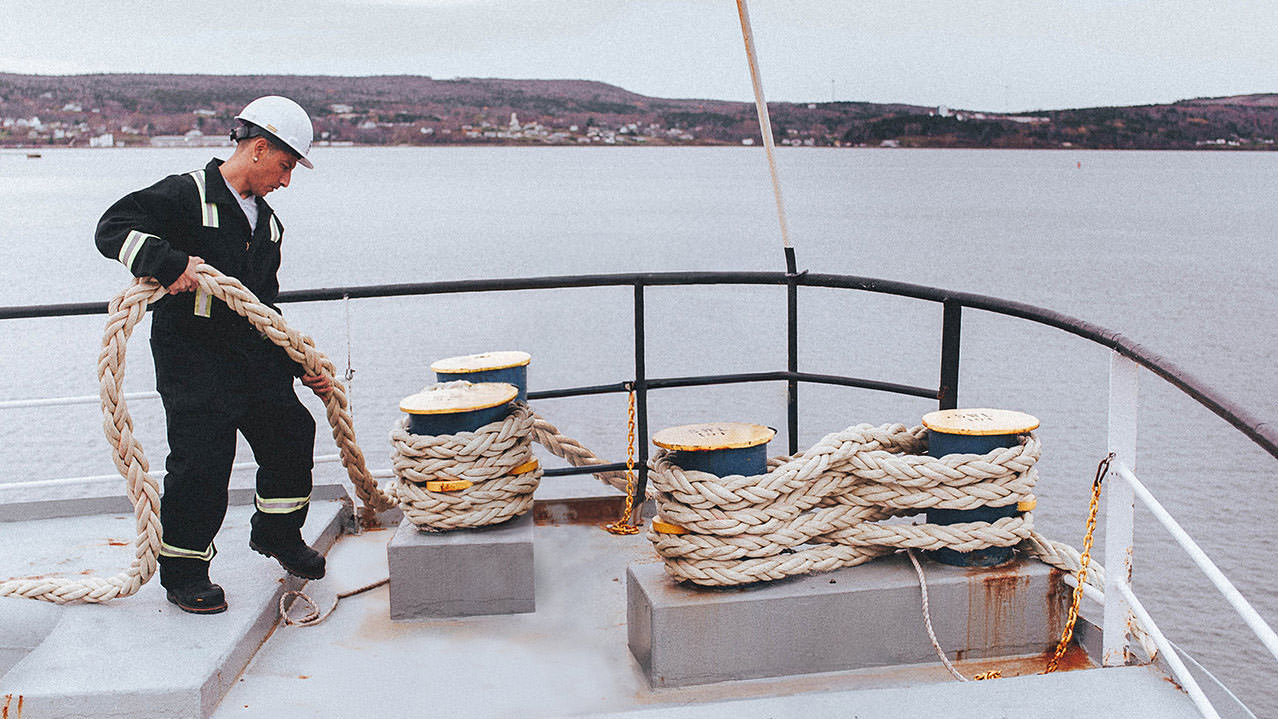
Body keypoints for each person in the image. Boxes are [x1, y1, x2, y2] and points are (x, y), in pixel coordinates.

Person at [95, 96, 331, 614]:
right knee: (202, 462)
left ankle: (276, 533)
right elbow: (112, 227)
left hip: (253, 359)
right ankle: (184, 572)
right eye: (286, 166)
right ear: (259, 148)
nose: (287, 181)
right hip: (194, 362)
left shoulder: (268, 225)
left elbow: (262, 306)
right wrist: (166, 260)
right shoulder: (185, 193)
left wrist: (299, 364)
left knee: (292, 432)